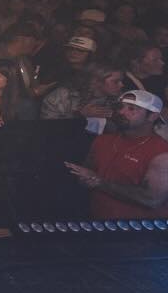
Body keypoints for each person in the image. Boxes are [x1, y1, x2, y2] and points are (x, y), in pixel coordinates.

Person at [69, 90, 168, 219]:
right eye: (120, 107)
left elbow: (151, 199)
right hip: (99, 224)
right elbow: (86, 175)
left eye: (132, 109)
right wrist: (83, 178)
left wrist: (100, 182)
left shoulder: (161, 152)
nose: (121, 112)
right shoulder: (102, 141)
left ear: (152, 116)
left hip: (138, 233)